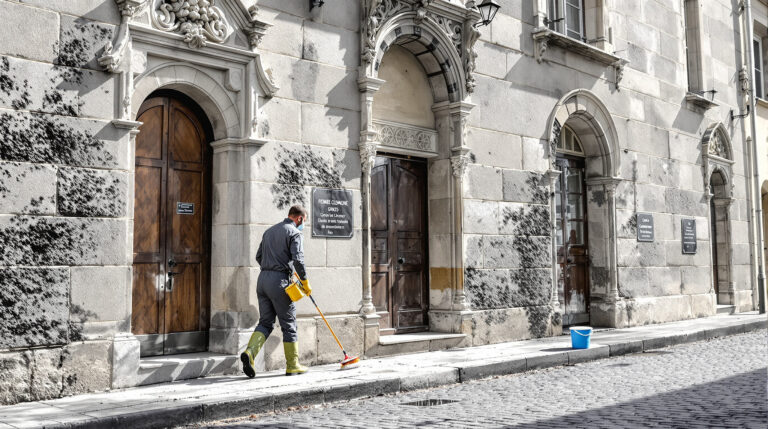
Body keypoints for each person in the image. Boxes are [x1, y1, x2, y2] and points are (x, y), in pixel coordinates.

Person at [240, 205, 312, 377]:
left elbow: (258, 256)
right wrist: (304, 282)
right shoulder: (295, 233)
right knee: (289, 324)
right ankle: (293, 365)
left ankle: (250, 353)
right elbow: (298, 260)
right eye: (304, 221)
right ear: (299, 218)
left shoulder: (269, 232)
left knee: (265, 322)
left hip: (263, 280)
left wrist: (271, 267)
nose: (303, 224)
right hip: (280, 282)